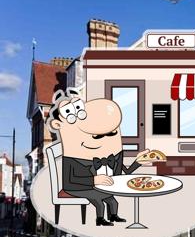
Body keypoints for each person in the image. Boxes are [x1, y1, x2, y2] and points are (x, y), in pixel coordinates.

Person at [47, 88, 155, 226]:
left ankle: (113, 216)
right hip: (76, 187)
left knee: (112, 200)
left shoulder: (111, 155)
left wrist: (139, 161)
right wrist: (94, 179)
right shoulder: (72, 159)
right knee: (99, 200)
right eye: (97, 136)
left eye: (111, 133)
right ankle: (100, 219)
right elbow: (69, 181)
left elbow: (126, 172)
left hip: (99, 185)